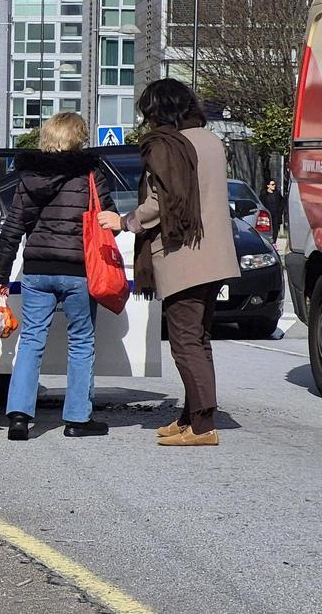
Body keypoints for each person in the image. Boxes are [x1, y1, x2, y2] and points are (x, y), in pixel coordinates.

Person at [98, 79, 239, 447]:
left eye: (149, 112)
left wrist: (124, 222)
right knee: (199, 338)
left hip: (183, 256)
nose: (147, 121)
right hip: (215, 254)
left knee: (185, 342)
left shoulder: (168, 146)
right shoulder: (210, 140)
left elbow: (161, 203)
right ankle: (190, 416)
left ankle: (203, 426)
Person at [0, 112, 116, 441]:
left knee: (31, 341)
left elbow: (13, 227)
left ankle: (19, 416)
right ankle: (77, 419)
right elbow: (107, 218)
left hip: (37, 269)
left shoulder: (28, 176)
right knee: (81, 342)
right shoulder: (90, 174)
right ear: (78, 137)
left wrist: (1, 274)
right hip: (78, 270)